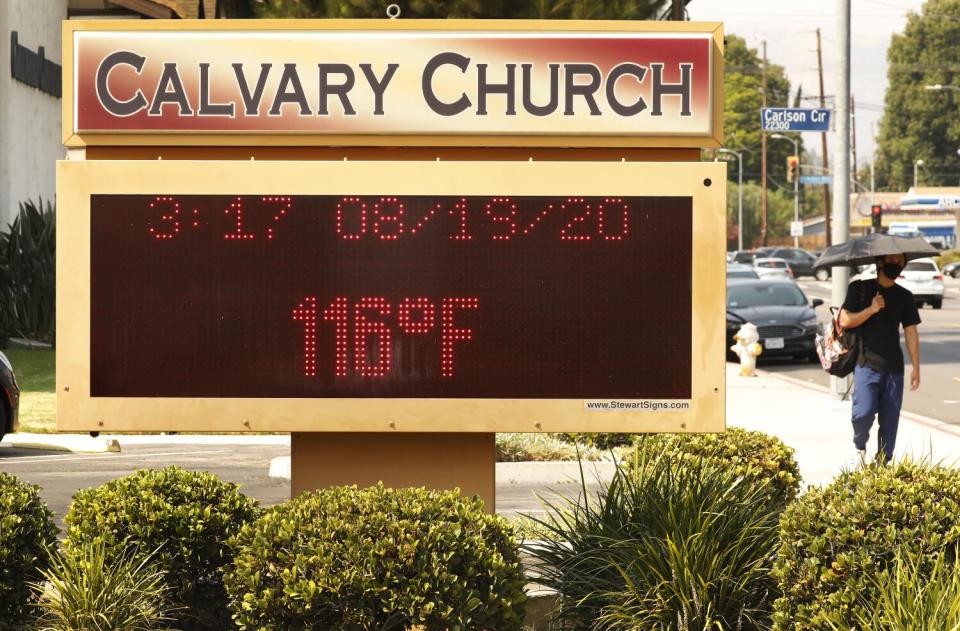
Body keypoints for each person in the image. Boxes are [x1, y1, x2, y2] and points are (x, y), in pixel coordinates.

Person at [839, 253, 921, 465]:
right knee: (863, 413)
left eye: (900, 262)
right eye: (892, 260)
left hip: (894, 367)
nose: (897, 264)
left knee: (890, 420)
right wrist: (871, 309)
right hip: (866, 363)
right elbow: (845, 320)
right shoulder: (859, 288)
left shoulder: (905, 296)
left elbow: (911, 332)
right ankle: (859, 448)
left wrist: (916, 368)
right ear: (880, 262)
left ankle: (883, 463)